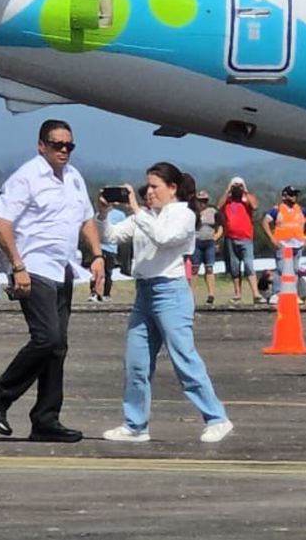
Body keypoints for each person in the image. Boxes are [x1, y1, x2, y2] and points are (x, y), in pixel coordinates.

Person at [0, 120, 105, 443]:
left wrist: (97, 255)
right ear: (41, 146)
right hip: (34, 266)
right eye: (57, 144)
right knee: (46, 338)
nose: (64, 150)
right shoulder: (27, 177)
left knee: (58, 347)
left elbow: (86, 218)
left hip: (63, 268)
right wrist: (17, 266)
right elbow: (2, 223)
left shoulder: (73, 177)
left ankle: (46, 418)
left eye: (69, 146)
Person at [98, 162, 233, 443]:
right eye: (147, 187)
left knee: (183, 357)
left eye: (155, 187)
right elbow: (110, 236)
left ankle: (217, 418)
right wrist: (104, 213)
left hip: (170, 292)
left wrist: (135, 210)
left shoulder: (183, 214)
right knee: (136, 362)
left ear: (172, 188)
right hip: (144, 292)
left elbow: (164, 238)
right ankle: (135, 424)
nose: (149, 192)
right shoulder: (145, 215)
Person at [262, 186, 306, 302]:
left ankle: (293, 294)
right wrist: (272, 238)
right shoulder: (277, 209)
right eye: (291, 194)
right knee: (281, 270)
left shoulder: (301, 210)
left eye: (295, 194)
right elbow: (265, 222)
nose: (294, 197)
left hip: (297, 245)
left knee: (294, 270)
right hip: (282, 244)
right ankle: (277, 293)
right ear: (284, 196)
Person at [217, 176, 262, 303]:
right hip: (231, 238)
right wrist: (228, 190)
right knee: (235, 267)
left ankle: (255, 293)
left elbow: (255, 206)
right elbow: (218, 206)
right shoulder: (228, 201)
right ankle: (237, 294)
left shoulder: (246, 200)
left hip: (246, 238)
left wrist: (245, 191)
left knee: (249, 265)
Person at [191, 190, 223, 305]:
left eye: (204, 201)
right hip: (196, 241)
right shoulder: (192, 213)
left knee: (209, 268)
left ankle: (211, 294)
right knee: (194, 269)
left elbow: (220, 226)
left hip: (209, 242)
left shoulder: (213, 212)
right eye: (200, 201)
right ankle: (191, 294)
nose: (202, 203)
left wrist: (216, 237)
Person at [89, 203, 125, 302]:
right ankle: (94, 293)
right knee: (95, 272)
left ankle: (106, 294)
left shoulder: (120, 215)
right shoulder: (98, 214)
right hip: (99, 248)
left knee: (108, 272)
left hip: (111, 248)